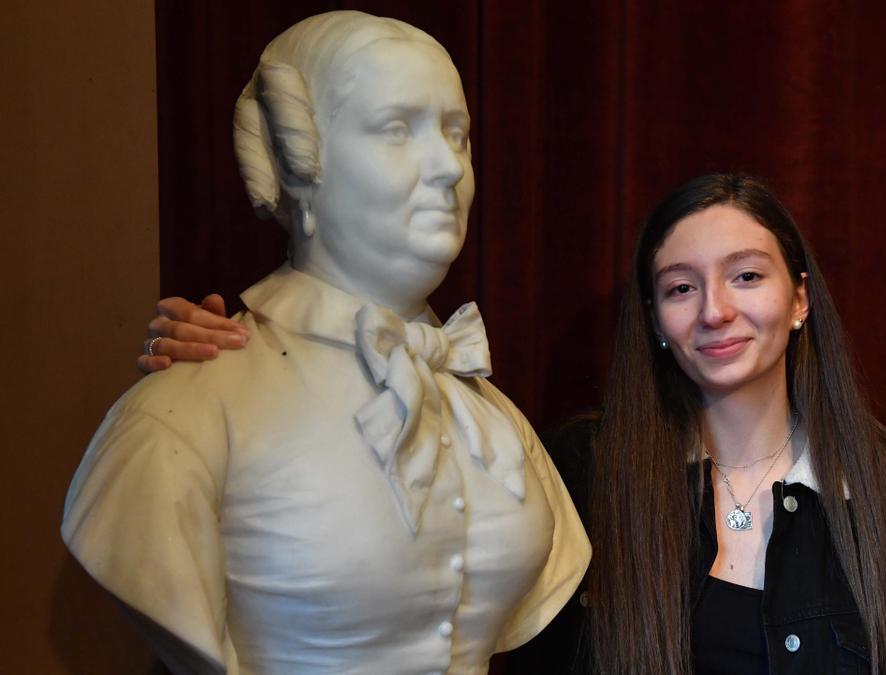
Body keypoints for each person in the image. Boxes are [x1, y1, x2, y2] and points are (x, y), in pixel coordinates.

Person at [144, 173, 886, 674]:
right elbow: (393, 509)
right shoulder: (581, 470)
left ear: (798, 299)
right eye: (680, 287)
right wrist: (246, 362)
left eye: (745, 275)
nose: (714, 309)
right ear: (654, 319)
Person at [63, 11, 588, 675]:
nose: (448, 168)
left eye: (459, 136)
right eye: (398, 128)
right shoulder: (187, 412)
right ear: (299, 158)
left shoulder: (493, 416)